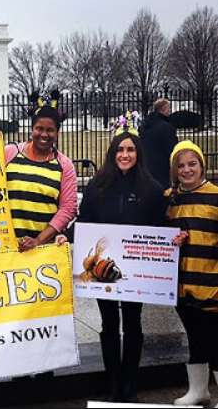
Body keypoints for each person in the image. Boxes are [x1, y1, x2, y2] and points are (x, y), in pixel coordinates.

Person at [74, 125, 166, 402]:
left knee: (133, 324)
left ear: (138, 154)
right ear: (112, 153)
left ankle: (130, 383)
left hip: (136, 272)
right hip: (103, 270)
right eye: (120, 149)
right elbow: (85, 221)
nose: (125, 154)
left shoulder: (152, 189)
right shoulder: (97, 185)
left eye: (130, 149)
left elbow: (160, 227)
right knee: (109, 324)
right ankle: (113, 381)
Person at [0, 90, 78, 251]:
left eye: (50, 130)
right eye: (39, 128)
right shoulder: (10, 153)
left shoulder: (65, 166)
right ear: (32, 129)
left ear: (58, 133)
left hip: (43, 249)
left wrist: (38, 240)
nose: (44, 134)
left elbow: (67, 209)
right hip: (5, 247)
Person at [166, 141, 218, 407]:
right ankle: (198, 391)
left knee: (216, 343)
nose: (187, 170)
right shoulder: (169, 199)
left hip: (211, 285)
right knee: (196, 339)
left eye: (192, 164)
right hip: (182, 286)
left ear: (202, 165)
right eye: (181, 165)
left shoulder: (215, 196)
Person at [140, 98, 178, 189]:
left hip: (147, 164)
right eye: (169, 108)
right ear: (163, 109)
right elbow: (172, 149)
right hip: (162, 166)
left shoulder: (145, 125)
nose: (170, 111)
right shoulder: (166, 127)